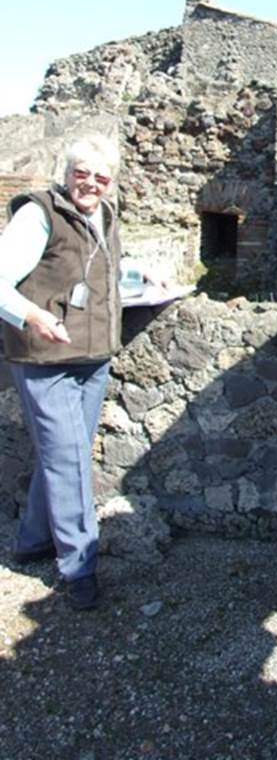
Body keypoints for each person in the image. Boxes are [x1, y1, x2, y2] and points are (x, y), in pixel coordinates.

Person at [0, 133, 123, 610]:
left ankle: (32, 541)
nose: (90, 183)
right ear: (66, 171)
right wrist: (33, 316)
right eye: (81, 173)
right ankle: (79, 567)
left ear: (111, 182)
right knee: (69, 460)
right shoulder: (38, 214)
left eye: (100, 176)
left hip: (93, 357)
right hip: (45, 359)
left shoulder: (106, 215)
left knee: (62, 457)